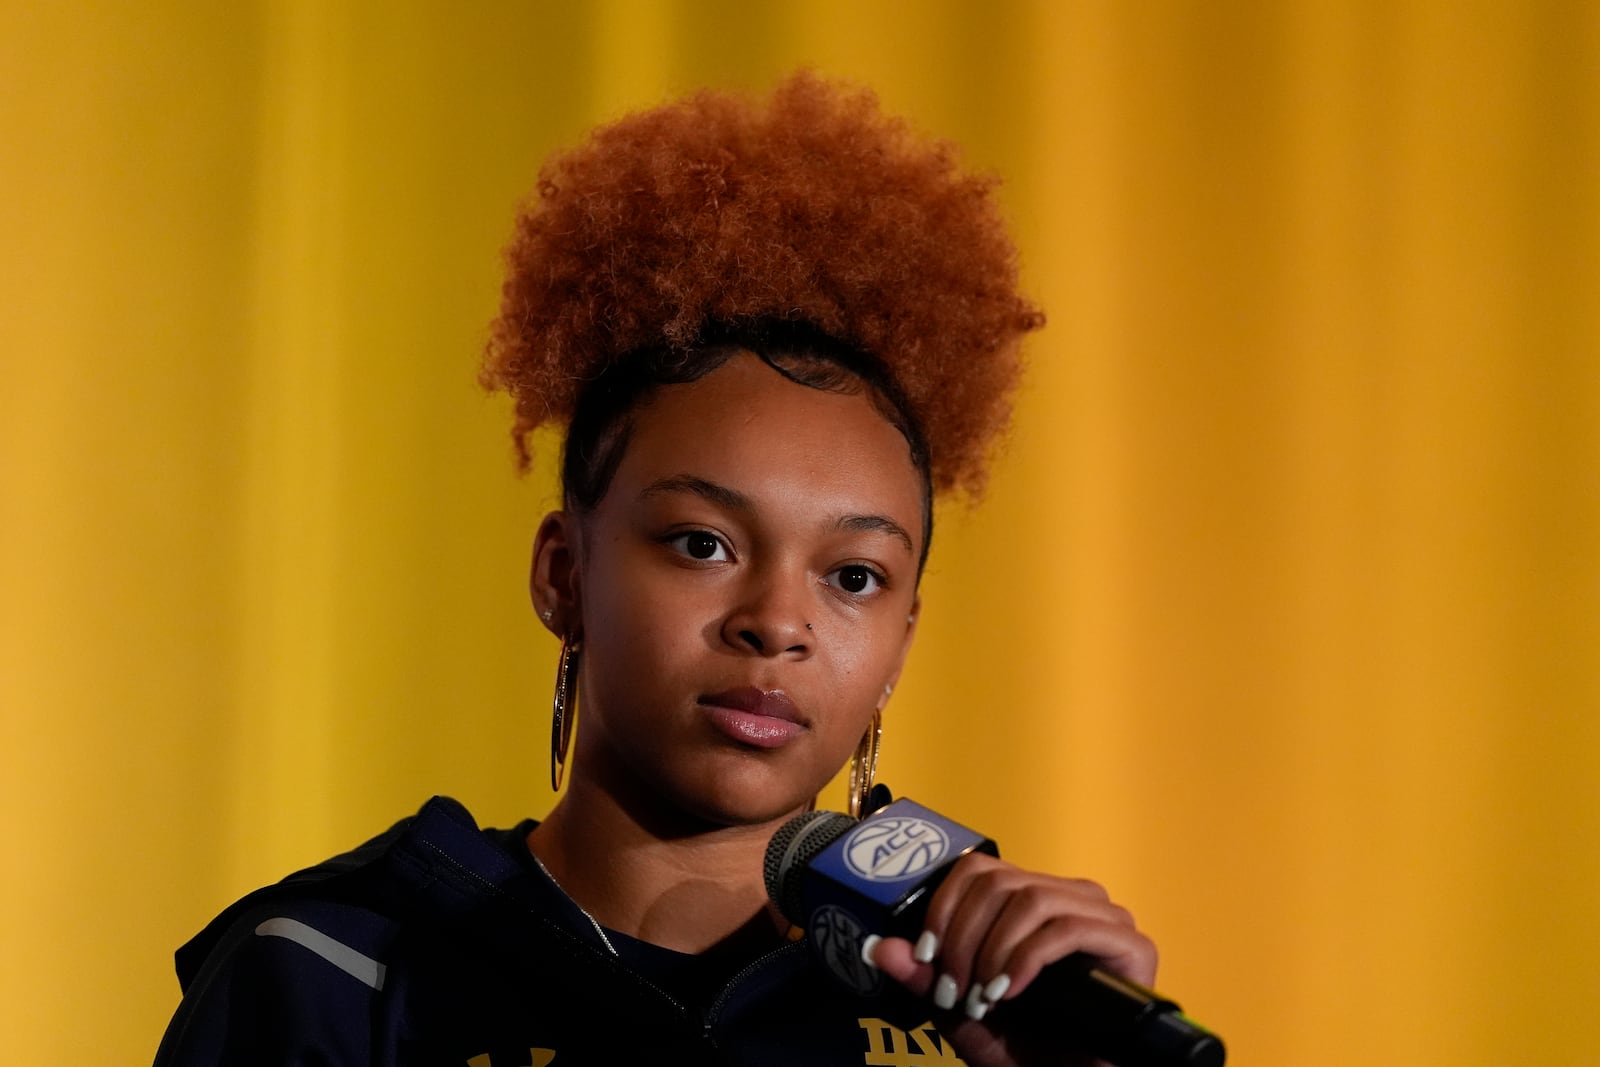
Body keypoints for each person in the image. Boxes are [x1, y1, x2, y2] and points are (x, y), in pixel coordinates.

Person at [155, 72, 1158, 1067]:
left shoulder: (977, 1024)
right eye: (702, 543)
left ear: (902, 639)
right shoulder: (335, 968)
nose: (775, 620)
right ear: (562, 572)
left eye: (852, 576)